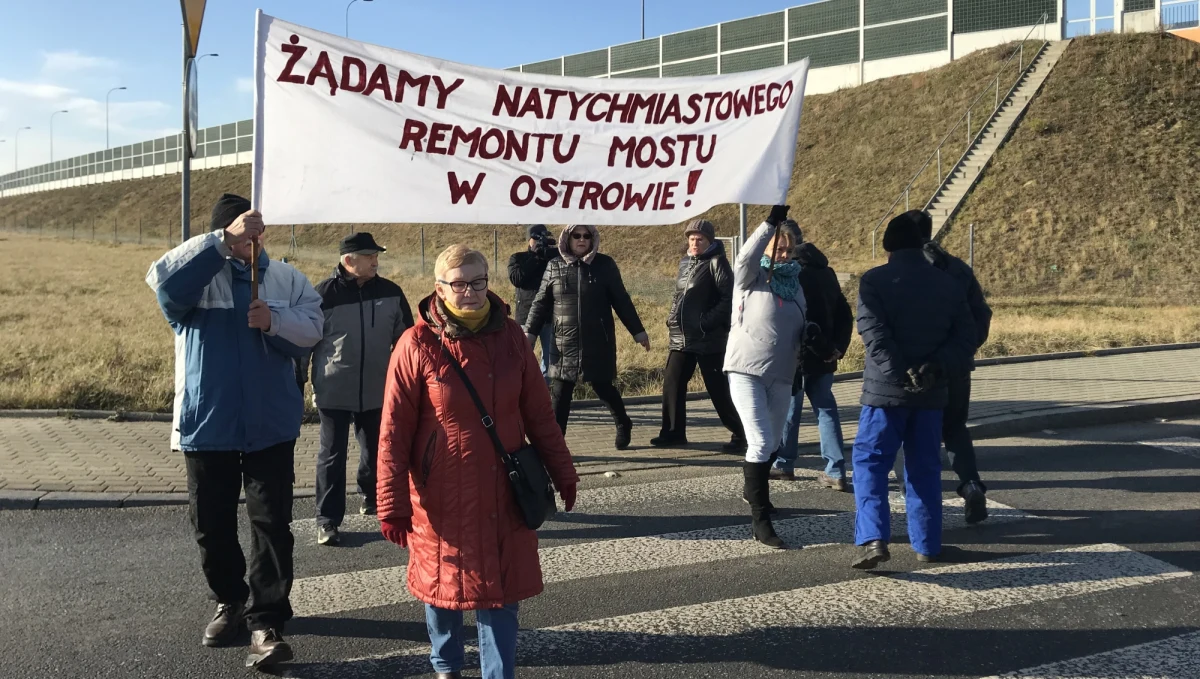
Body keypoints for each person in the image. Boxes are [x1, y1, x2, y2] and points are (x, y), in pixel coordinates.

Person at [377, 244, 579, 679]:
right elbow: (393, 430)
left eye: (478, 282)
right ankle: (446, 666)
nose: (470, 292)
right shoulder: (416, 345)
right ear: (439, 288)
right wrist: (390, 502)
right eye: (459, 284)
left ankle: (497, 674)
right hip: (440, 494)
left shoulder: (512, 339)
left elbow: (540, 414)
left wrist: (563, 470)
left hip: (505, 487)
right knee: (442, 587)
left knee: (501, 592)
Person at [144, 193, 323, 669]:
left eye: (255, 231)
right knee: (211, 525)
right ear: (224, 233)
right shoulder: (198, 279)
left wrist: (275, 321)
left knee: (272, 526)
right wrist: (222, 243)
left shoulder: (285, 278)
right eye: (241, 231)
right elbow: (163, 286)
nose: (250, 239)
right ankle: (229, 599)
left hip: (271, 425)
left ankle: (267, 622)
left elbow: (313, 329)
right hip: (208, 424)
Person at [850, 210, 976, 570]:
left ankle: (873, 538)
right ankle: (928, 544)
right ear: (922, 244)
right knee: (923, 468)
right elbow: (966, 337)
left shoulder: (874, 281)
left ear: (888, 245)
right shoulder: (948, 283)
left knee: (870, 464)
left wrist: (899, 372)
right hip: (931, 393)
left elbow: (873, 334)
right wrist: (933, 368)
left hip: (885, 393)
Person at [297, 232, 413, 547]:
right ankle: (328, 521)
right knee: (332, 455)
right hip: (334, 388)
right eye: (369, 256)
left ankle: (371, 494)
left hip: (379, 388)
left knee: (376, 449)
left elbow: (406, 342)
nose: (376, 261)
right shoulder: (322, 294)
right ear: (349, 261)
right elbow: (307, 341)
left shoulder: (391, 292)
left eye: (376, 256)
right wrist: (299, 382)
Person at [523, 224, 650, 449]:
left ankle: (623, 422)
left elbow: (621, 301)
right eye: (576, 236)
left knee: (603, 387)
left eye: (586, 236)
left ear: (593, 239)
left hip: (597, 340)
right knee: (560, 395)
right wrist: (530, 334)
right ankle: (555, 444)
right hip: (563, 342)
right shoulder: (554, 265)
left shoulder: (605, 265)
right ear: (567, 239)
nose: (581, 240)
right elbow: (540, 303)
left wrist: (638, 333)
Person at [724, 205, 807, 549]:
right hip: (746, 369)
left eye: (788, 249)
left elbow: (799, 324)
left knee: (773, 443)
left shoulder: (797, 285)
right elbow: (745, 256)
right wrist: (769, 224)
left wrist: (814, 336)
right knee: (759, 442)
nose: (783, 255)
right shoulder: (750, 277)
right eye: (777, 248)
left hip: (783, 373)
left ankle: (752, 487)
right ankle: (761, 520)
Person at [919, 215, 993, 524]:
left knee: (920, 433)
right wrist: (966, 349)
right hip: (959, 366)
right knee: (955, 428)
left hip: (926, 368)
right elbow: (982, 315)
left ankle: (923, 502)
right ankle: (970, 483)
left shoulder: (915, 272)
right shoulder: (959, 268)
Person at [771, 220, 854, 490]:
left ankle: (784, 463)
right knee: (826, 410)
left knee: (790, 410)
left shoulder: (790, 275)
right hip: (825, 354)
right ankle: (836, 469)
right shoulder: (827, 271)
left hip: (797, 354)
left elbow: (796, 319)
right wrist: (838, 348)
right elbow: (844, 313)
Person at [652, 219, 746, 452]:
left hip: (708, 339)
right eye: (691, 238)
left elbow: (729, 299)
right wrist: (672, 318)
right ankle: (673, 433)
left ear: (710, 241)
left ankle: (743, 433)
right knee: (672, 383)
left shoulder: (717, 263)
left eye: (700, 239)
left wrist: (706, 323)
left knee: (719, 390)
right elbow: (679, 296)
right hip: (681, 337)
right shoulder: (686, 263)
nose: (694, 242)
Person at [507, 224, 560, 383]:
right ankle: (520, 393)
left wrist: (549, 254)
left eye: (542, 238)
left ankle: (544, 395)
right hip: (526, 317)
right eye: (535, 238)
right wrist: (536, 258)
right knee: (521, 359)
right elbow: (517, 279)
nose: (539, 242)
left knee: (551, 361)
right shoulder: (518, 258)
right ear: (528, 239)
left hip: (550, 316)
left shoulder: (553, 258)